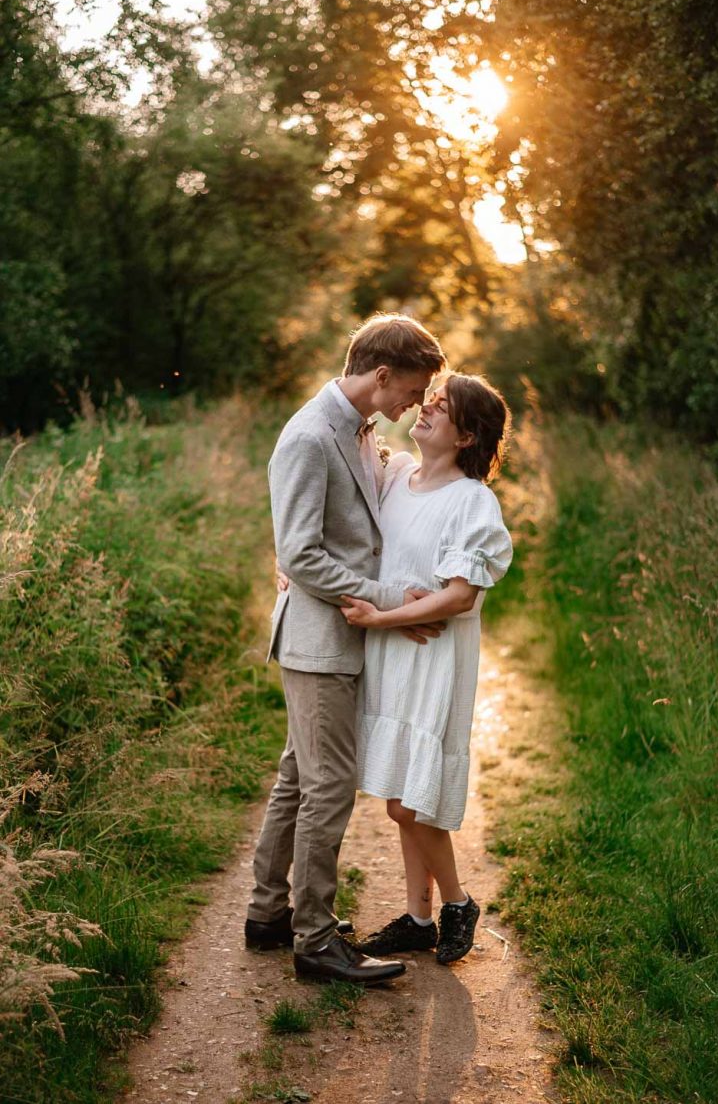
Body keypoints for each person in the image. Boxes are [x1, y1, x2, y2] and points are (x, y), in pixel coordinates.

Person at [245, 313, 446, 984]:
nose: (414, 404)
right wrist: (389, 599)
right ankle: (315, 938)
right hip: (320, 639)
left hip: (331, 635)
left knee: (299, 776)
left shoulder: (357, 430)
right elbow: (299, 554)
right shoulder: (308, 437)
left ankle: (269, 912)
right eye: (412, 391)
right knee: (328, 785)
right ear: (382, 374)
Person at [340, 372, 513, 965]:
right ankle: (418, 918)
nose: (427, 407)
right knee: (398, 789)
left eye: (442, 406)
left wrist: (380, 619)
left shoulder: (472, 502)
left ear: (467, 435)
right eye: (429, 399)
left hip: (431, 659)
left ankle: (457, 903)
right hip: (391, 658)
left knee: (406, 803)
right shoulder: (393, 479)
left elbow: (459, 597)